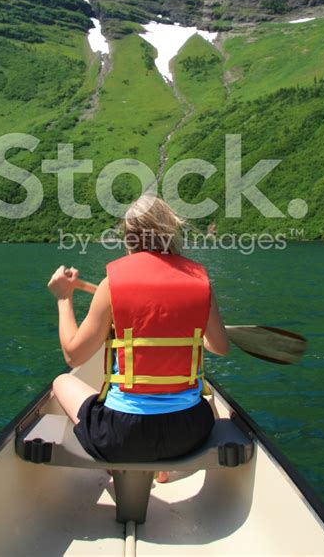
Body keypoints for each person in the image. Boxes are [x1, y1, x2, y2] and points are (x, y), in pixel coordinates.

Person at [48, 195, 229, 482]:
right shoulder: (200, 282)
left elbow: (73, 355)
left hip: (122, 435)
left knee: (61, 381)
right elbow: (220, 347)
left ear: (129, 237)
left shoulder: (111, 285)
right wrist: (200, 338)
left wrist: (63, 298)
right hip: (188, 433)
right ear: (171, 233)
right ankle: (163, 466)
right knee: (209, 402)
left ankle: (119, 460)